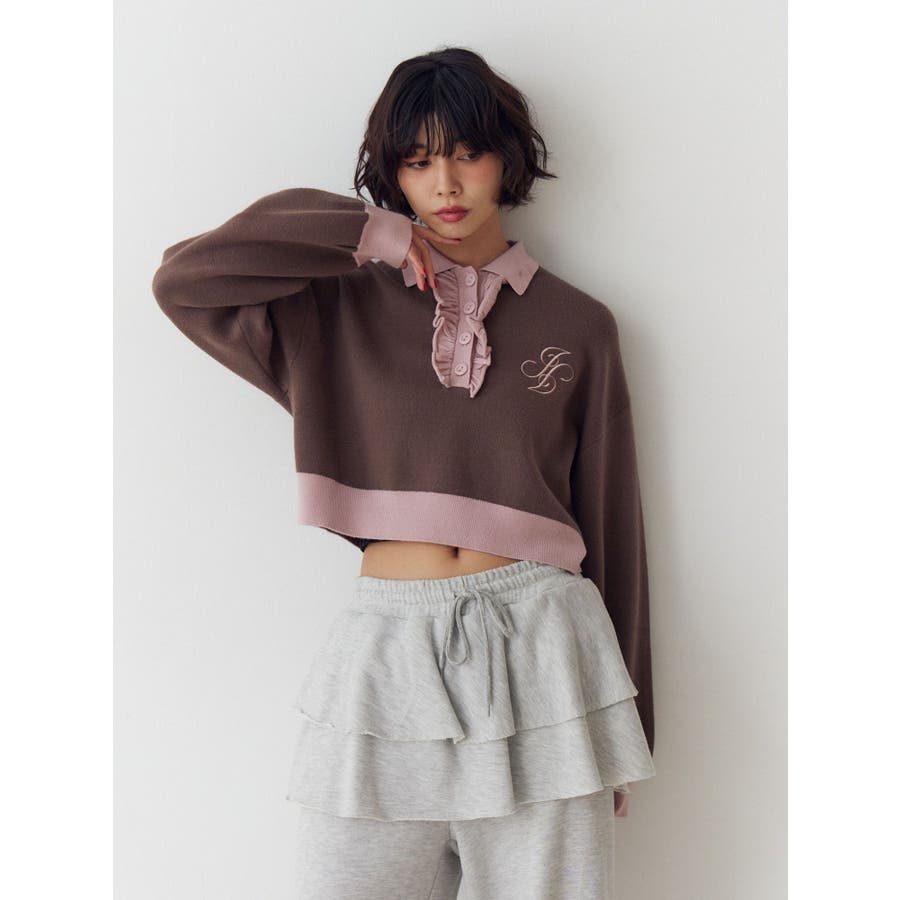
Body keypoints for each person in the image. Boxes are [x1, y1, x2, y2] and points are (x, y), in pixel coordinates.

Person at [152, 45, 655, 900]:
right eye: (417, 163)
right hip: (385, 650)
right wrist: (369, 233)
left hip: (548, 652)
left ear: (507, 159)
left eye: (467, 153)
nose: (446, 184)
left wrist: (626, 725)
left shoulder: (580, 325)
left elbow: (612, 526)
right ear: (392, 175)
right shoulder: (332, 308)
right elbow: (184, 280)